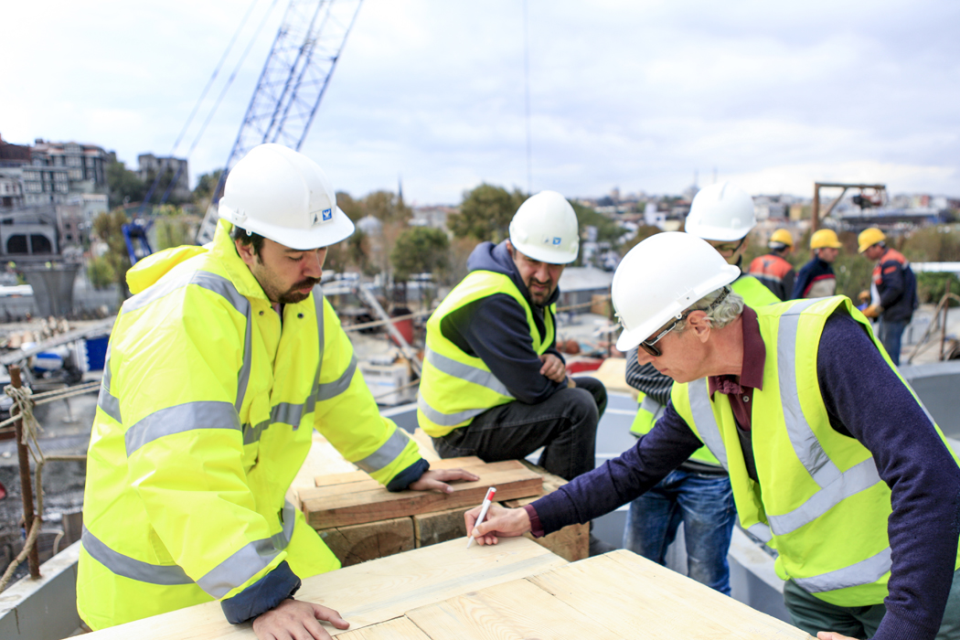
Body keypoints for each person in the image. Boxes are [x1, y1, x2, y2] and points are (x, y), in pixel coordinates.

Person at [467, 231, 960, 640]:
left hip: (914, 597)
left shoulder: (824, 344)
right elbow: (632, 471)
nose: (641, 362)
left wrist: (903, 630)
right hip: (817, 599)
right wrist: (529, 517)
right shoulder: (697, 393)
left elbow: (931, 478)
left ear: (698, 325)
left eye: (650, 345)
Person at [78, 144, 477, 636]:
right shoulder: (183, 314)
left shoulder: (300, 300)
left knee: (364, 619)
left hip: (248, 538)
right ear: (245, 245)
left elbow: (340, 397)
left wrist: (403, 467)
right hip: (155, 579)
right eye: (295, 253)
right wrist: (262, 597)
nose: (315, 268)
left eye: (321, 249)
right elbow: (184, 471)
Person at [417, 190, 609, 553]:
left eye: (554, 265)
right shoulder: (492, 296)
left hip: (487, 411)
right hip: (459, 434)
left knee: (592, 391)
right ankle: (565, 522)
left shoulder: (522, 288)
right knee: (578, 406)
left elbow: (538, 351)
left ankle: (549, 491)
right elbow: (533, 390)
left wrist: (553, 359)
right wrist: (559, 376)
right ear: (511, 249)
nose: (543, 274)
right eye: (533, 261)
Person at [622, 181, 779, 594]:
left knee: (707, 585)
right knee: (634, 575)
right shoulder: (662, 287)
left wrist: (692, 367)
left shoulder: (762, 302)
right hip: (654, 451)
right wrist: (711, 374)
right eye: (705, 245)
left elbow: (763, 383)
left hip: (713, 466)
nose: (713, 256)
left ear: (744, 243)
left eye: (724, 248)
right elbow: (637, 372)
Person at [858, 227, 919, 365]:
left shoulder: (890, 261)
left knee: (889, 355)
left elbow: (895, 288)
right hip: (892, 314)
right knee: (883, 350)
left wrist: (878, 306)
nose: (866, 255)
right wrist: (872, 295)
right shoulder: (886, 260)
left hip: (895, 315)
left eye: (867, 250)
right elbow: (888, 285)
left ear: (877, 246)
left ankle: (892, 384)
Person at [747, 228, 796, 300]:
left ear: (772, 247)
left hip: (753, 308)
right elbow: (790, 298)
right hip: (775, 310)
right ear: (787, 249)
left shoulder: (755, 262)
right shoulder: (786, 268)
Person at [793, 229, 843, 299]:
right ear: (820, 250)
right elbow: (795, 299)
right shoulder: (808, 271)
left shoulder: (830, 270)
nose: (836, 253)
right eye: (832, 249)